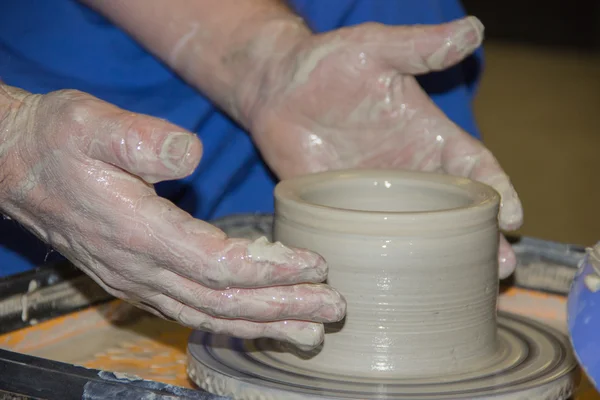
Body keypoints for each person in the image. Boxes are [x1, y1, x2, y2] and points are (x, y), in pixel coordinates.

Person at [0, 0, 522, 349]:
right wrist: (14, 142)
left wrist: (264, 63)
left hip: (316, 43)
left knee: (432, 274)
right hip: (66, 66)